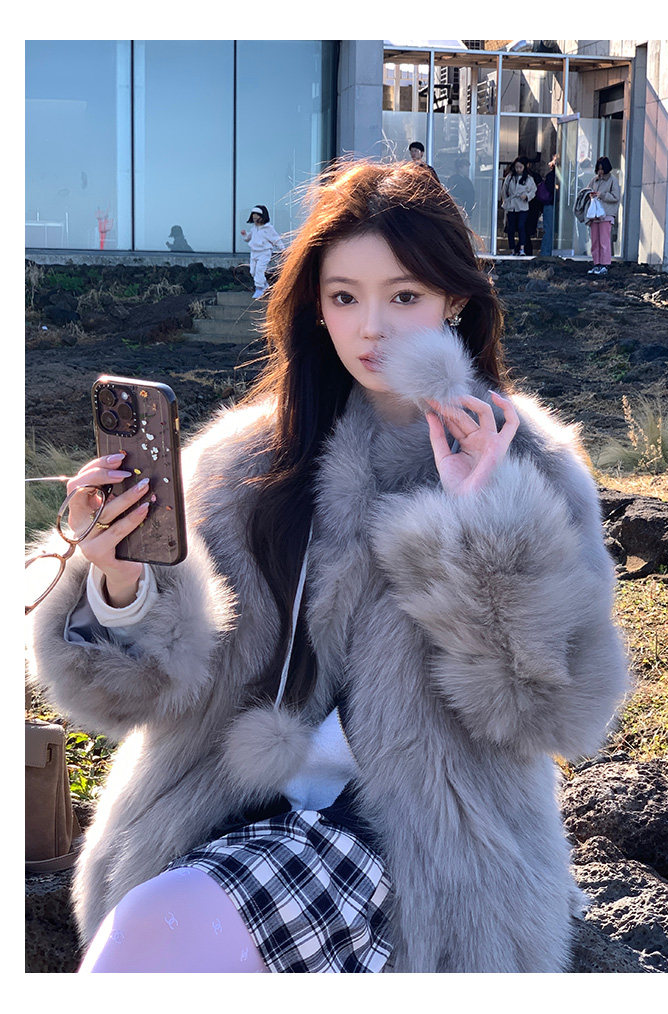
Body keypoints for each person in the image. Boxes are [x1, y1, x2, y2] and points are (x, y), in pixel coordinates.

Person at [26, 158, 628, 973]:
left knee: (165, 930)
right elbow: (138, 693)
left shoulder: (530, 467)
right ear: (315, 304)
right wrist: (118, 578)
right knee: (155, 930)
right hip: (213, 813)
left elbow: (550, 712)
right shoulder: (243, 464)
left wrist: (484, 521)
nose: (371, 328)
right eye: (345, 297)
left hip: (416, 858)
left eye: (404, 296)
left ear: (455, 299)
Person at [240, 204, 285, 298]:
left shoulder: (268, 229)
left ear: (263, 216)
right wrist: (244, 235)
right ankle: (265, 287)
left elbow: (276, 239)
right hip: (254, 252)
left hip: (264, 252)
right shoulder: (254, 228)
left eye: (257, 216)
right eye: (254, 216)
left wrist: (283, 249)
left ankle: (259, 289)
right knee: (253, 271)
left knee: (260, 270)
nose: (255, 218)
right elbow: (248, 238)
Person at [586, 156, 621, 276]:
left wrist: (602, 195)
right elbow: (587, 191)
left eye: (602, 169)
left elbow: (616, 197)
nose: (600, 171)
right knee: (595, 241)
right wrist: (590, 195)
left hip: (606, 214)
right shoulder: (594, 180)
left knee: (604, 241)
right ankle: (596, 263)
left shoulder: (612, 180)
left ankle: (604, 264)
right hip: (594, 215)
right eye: (599, 169)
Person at [500, 156, 537, 256]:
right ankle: (512, 249)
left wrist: (527, 196)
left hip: (522, 206)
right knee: (511, 228)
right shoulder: (510, 177)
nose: (518, 169)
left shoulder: (528, 179)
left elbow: (533, 190)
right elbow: (504, 190)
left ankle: (522, 249)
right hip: (511, 205)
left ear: (524, 167)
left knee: (521, 226)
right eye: (516, 167)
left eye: (520, 167)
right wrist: (505, 201)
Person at [522, 157, 544, 255]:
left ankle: (524, 249)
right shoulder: (535, 176)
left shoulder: (531, 177)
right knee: (526, 229)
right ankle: (525, 249)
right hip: (532, 206)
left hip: (528, 205)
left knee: (523, 229)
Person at [539, 154, 559, 257]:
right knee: (549, 230)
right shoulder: (552, 176)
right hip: (552, 204)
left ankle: (546, 252)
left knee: (549, 230)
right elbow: (552, 189)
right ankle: (546, 253)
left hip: (551, 205)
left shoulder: (551, 176)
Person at [446, 155, 476, 221]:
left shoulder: (467, 180)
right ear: (460, 168)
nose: (468, 170)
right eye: (466, 167)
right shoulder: (453, 179)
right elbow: (451, 194)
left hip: (467, 209)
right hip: (458, 210)